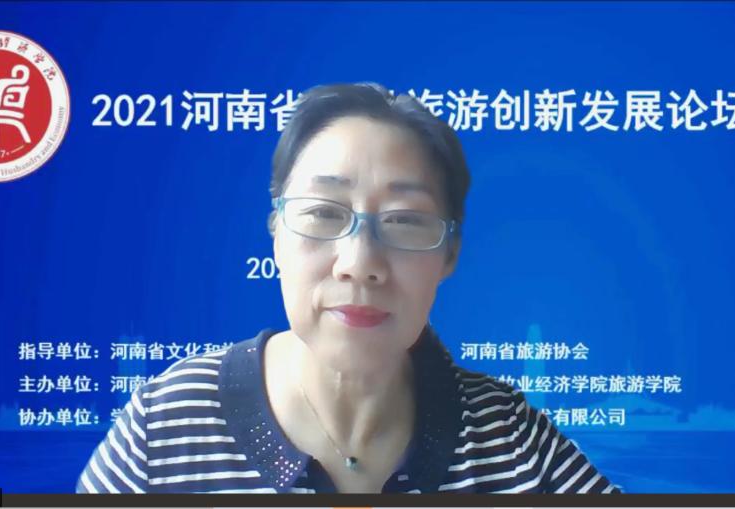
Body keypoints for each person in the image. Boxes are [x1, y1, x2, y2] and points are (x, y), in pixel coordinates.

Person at [76, 83, 621, 494]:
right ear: (275, 233)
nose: (359, 264)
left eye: (405, 221)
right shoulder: (164, 428)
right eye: (323, 213)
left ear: (450, 254)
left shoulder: (511, 442)